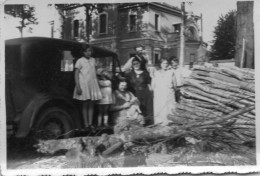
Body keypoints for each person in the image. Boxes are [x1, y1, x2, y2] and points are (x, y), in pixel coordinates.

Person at [73, 46, 102, 129]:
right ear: (83, 52)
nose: (88, 53)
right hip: (84, 85)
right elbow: (76, 74)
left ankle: (90, 123)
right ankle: (86, 123)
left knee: (91, 104)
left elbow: (94, 73)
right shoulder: (80, 61)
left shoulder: (93, 60)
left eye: (90, 51)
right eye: (86, 51)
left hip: (92, 84)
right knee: (85, 104)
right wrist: (78, 86)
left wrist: (98, 84)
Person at [125, 58, 153, 125]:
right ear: (132, 65)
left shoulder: (146, 73)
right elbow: (127, 85)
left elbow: (149, 84)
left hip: (145, 93)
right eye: (134, 64)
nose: (136, 65)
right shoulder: (129, 74)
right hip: (134, 94)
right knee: (137, 109)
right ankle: (138, 124)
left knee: (147, 109)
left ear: (140, 63)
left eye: (137, 63)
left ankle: (148, 124)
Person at [152, 58, 177, 125]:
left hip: (168, 93)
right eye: (163, 63)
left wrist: (171, 90)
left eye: (166, 63)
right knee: (160, 107)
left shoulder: (171, 72)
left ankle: (170, 121)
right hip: (159, 94)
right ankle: (160, 122)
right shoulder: (156, 73)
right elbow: (153, 85)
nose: (165, 65)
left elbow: (175, 84)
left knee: (169, 107)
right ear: (160, 64)